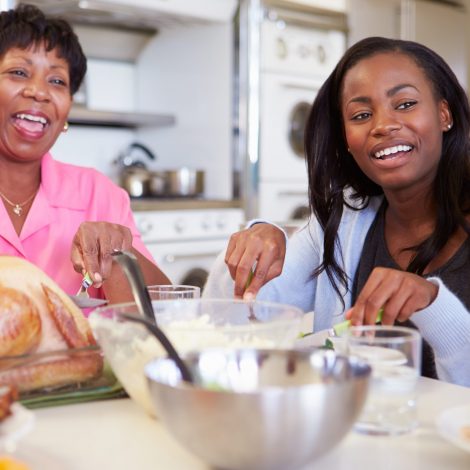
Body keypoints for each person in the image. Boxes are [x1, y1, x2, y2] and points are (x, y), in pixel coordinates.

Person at [204, 37, 470, 386]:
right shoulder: (345, 220)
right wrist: (255, 251)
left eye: (405, 104)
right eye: (361, 115)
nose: (383, 125)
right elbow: (231, 320)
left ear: (444, 114)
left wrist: (433, 304)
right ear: (346, 137)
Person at [0, 4, 170, 304]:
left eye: (57, 81)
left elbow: (165, 307)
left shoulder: (97, 193)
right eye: (18, 72)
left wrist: (121, 255)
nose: (39, 92)